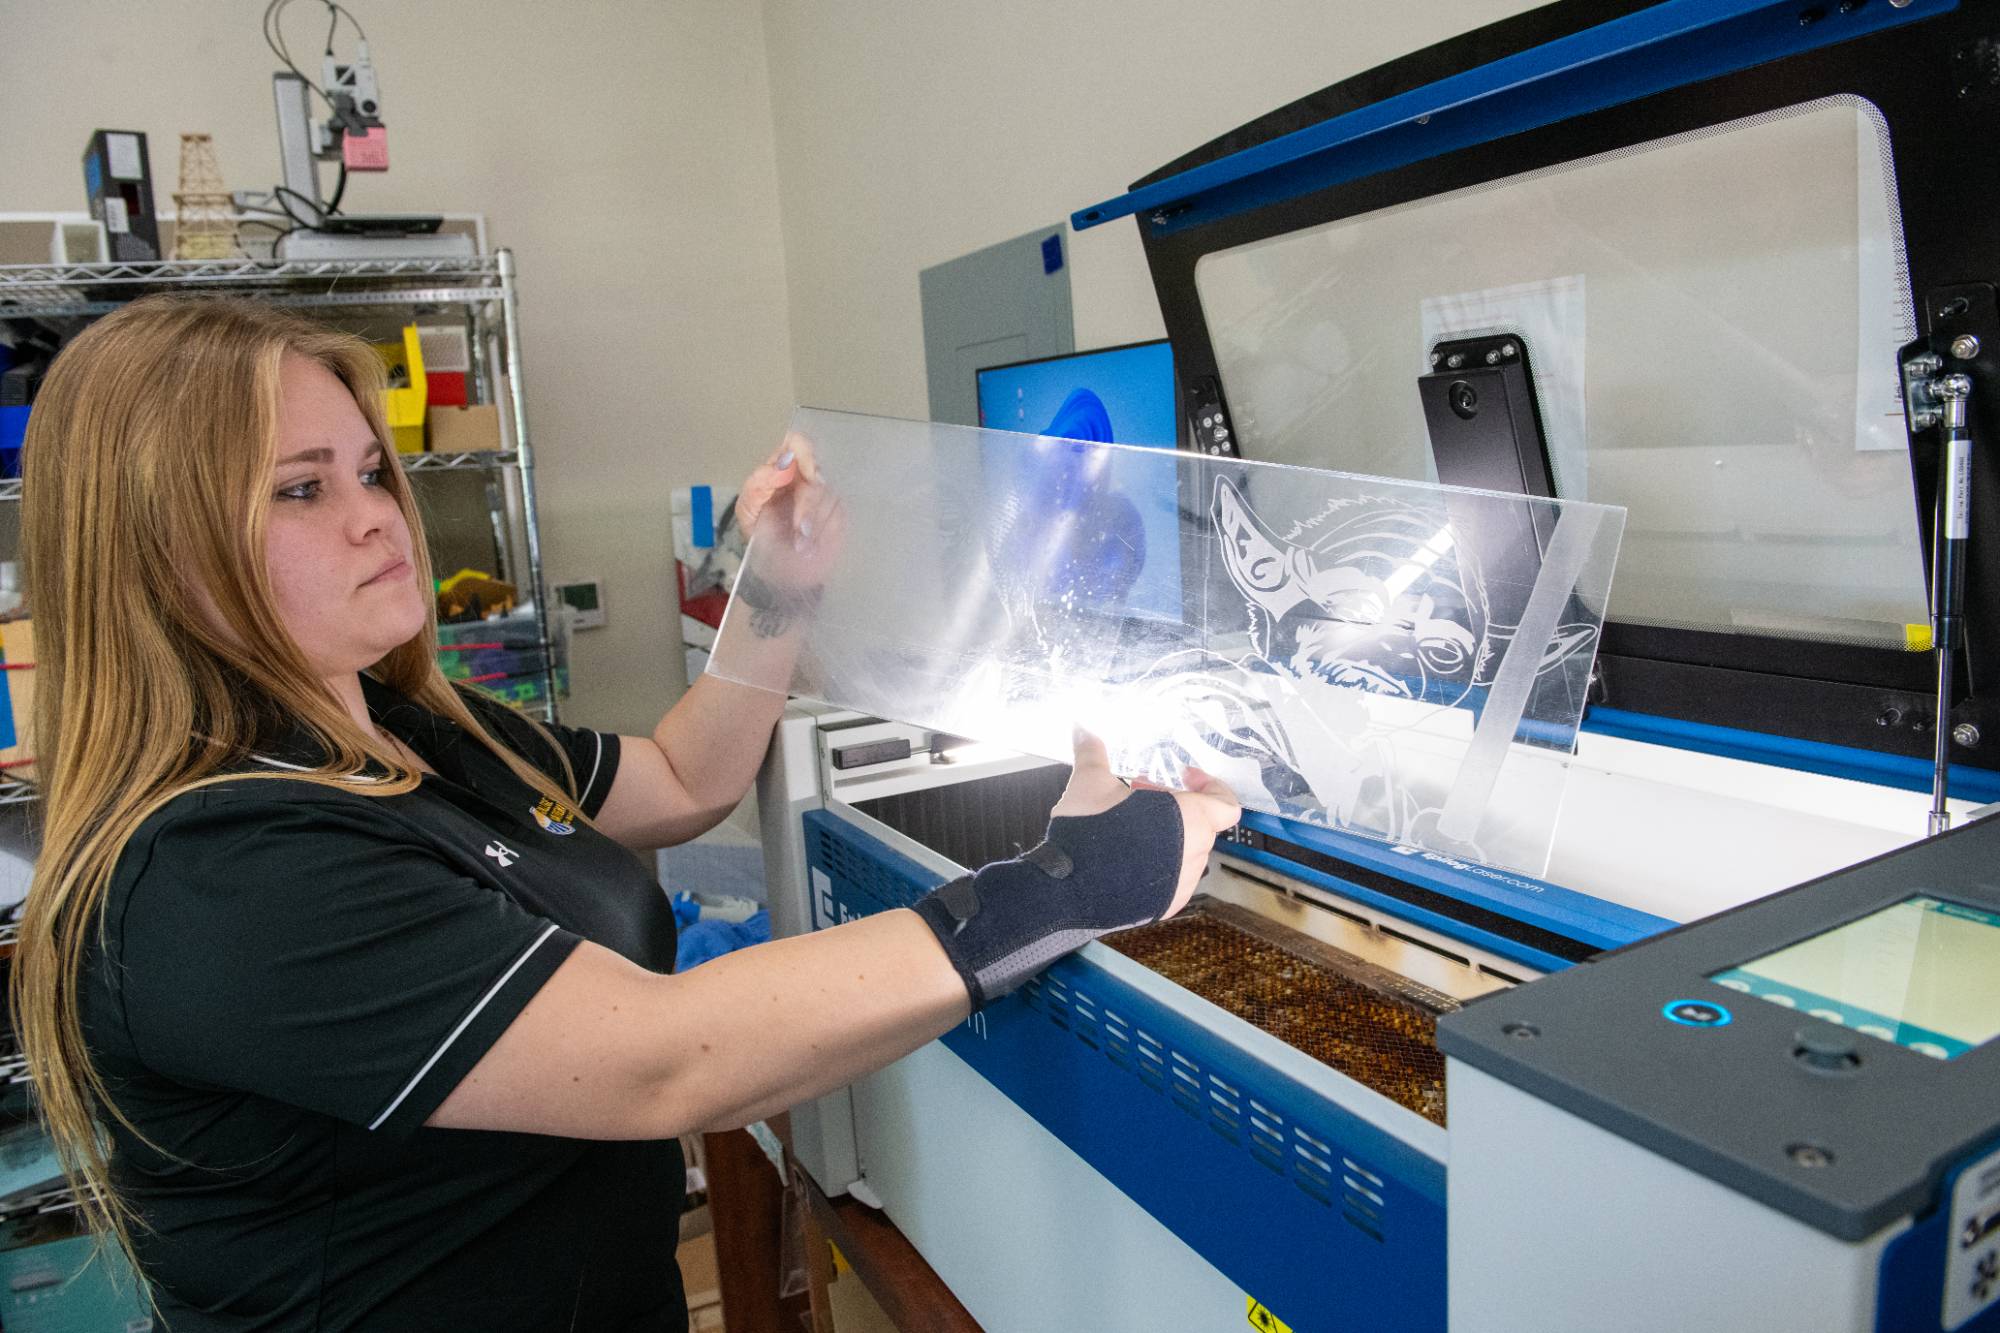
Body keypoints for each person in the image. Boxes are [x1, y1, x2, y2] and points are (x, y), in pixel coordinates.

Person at [9, 296, 1240, 1331]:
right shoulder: (218, 866)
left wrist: (777, 588)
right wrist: (1067, 884)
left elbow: (677, 776)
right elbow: (662, 1060)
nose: (378, 511)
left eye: (371, 468)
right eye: (298, 489)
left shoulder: (411, 725)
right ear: (158, 549)